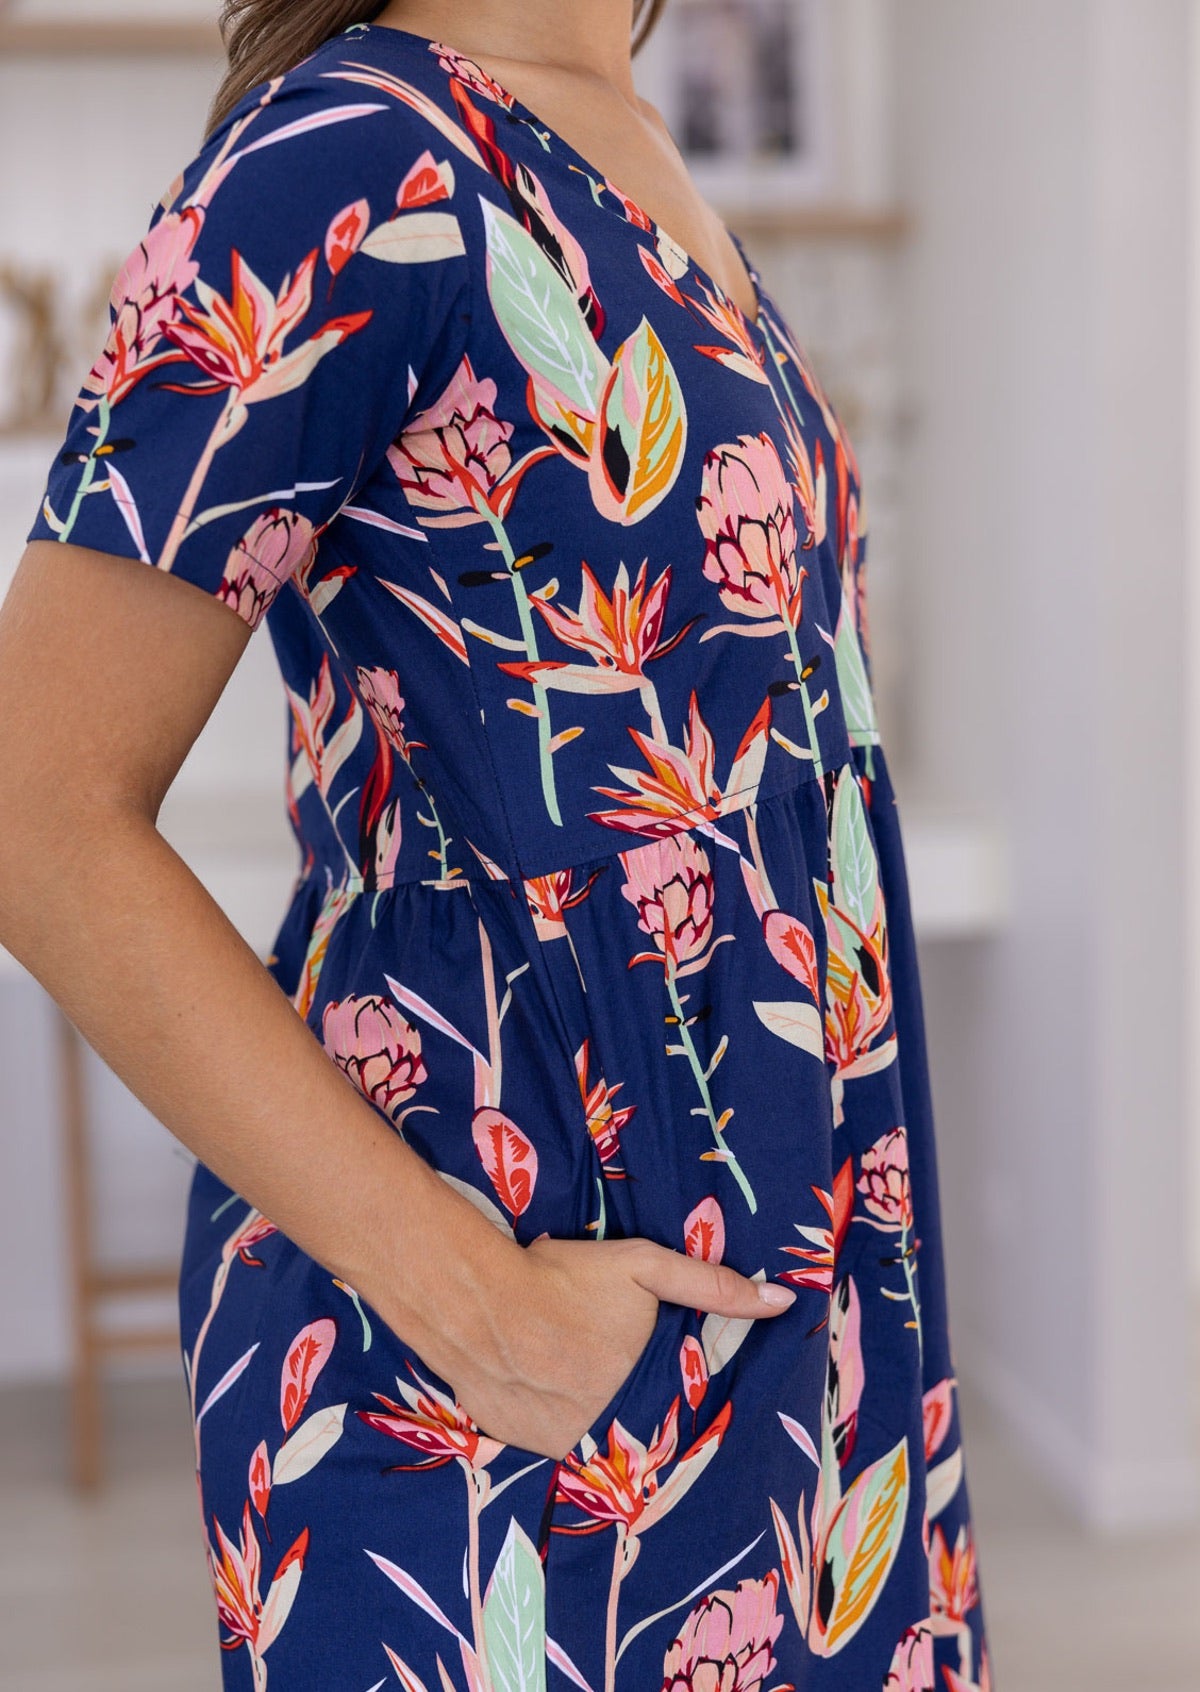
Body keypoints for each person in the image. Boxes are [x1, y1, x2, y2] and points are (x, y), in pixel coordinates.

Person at [0, 1, 994, 1687]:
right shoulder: (348, 151)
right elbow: (35, 809)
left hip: (814, 1389)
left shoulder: (631, 145)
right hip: (503, 1406)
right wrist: (483, 1310)